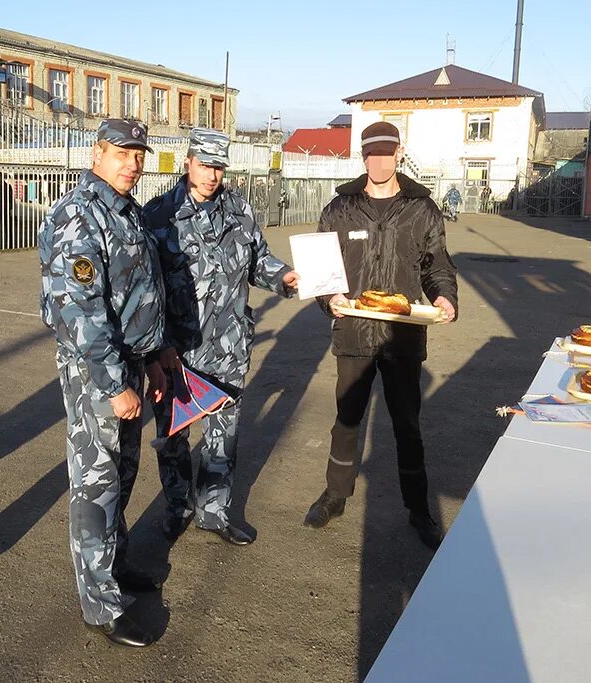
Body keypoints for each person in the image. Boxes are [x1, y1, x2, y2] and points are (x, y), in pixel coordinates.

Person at [39, 119, 167, 648]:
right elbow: (82, 313)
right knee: (96, 480)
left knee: (124, 471)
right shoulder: (78, 215)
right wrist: (116, 385)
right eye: (122, 153)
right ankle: (99, 602)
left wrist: (155, 360)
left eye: (139, 154)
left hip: (131, 362)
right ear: (97, 154)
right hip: (97, 371)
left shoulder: (128, 212)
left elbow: (141, 292)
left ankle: (112, 565)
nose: (132, 164)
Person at [302, 121, 458, 551]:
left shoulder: (422, 209)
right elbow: (321, 267)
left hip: (402, 336)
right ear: (362, 155)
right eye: (371, 153)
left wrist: (444, 298)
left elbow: (437, 264)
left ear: (399, 153)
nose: (379, 161)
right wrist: (328, 297)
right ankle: (335, 496)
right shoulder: (341, 208)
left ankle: (418, 509)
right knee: (346, 419)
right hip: (353, 331)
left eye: (386, 153)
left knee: (407, 425)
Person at [143, 128, 298, 546]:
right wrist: (157, 348)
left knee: (224, 434)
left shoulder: (239, 210)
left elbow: (258, 260)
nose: (212, 175)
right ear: (188, 161)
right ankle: (178, 506)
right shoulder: (158, 215)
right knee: (174, 436)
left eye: (219, 166)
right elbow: (144, 289)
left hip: (229, 345)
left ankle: (215, 511)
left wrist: (284, 276)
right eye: (205, 164)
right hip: (179, 352)